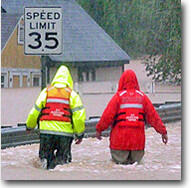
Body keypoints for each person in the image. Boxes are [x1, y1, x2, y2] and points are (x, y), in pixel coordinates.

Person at [96, 69, 168, 165]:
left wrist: (99, 130)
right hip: (137, 143)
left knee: (119, 171)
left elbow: (107, 116)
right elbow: (153, 117)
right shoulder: (143, 97)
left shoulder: (118, 97)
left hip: (119, 142)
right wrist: (163, 132)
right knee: (136, 170)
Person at [26, 65, 86, 169]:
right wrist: (79, 134)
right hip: (65, 135)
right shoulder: (72, 95)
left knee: (44, 163)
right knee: (62, 164)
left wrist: (29, 126)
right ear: (69, 79)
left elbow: (34, 112)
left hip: (46, 133)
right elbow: (79, 117)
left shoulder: (46, 92)